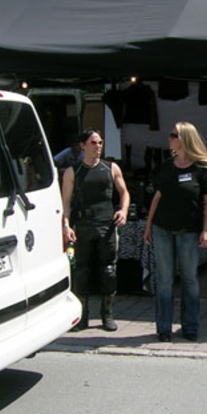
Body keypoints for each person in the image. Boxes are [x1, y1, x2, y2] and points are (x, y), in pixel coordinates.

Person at [143, 122, 207, 342]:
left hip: (189, 231)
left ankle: (190, 326)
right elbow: (157, 196)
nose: (169, 138)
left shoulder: (203, 168)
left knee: (189, 279)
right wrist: (148, 225)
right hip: (162, 228)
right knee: (164, 279)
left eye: (173, 135)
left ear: (185, 139)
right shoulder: (166, 167)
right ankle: (164, 328)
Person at [62, 128, 130, 332]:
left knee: (108, 271)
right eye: (93, 142)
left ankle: (107, 314)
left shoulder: (111, 168)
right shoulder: (72, 171)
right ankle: (82, 316)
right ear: (83, 145)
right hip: (83, 226)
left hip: (106, 225)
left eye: (100, 142)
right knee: (81, 272)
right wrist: (66, 225)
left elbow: (124, 192)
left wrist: (123, 210)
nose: (98, 146)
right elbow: (66, 202)